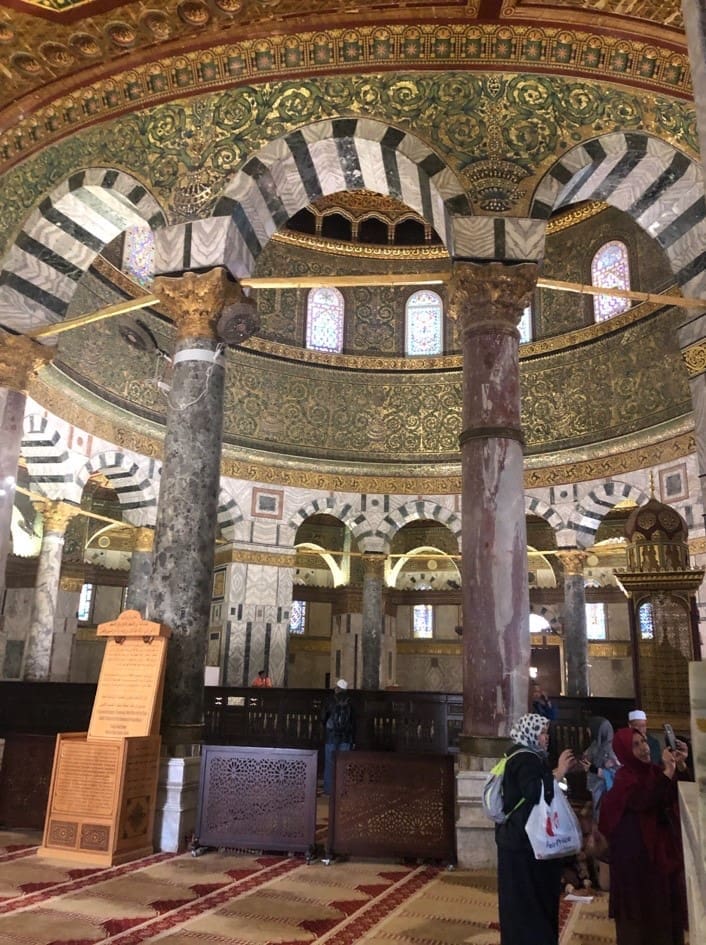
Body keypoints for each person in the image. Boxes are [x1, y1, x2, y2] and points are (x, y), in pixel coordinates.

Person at [598, 726, 689, 945]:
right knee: (641, 926)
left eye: (644, 742)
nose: (644, 748)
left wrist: (681, 764)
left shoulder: (652, 772)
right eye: (635, 745)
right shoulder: (624, 780)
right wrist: (667, 772)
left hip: (659, 860)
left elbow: (672, 793)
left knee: (665, 918)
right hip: (636, 869)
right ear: (623, 751)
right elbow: (643, 801)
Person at [495, 712, 576, 945]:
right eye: (541, 732)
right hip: (524, 844)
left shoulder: (524, 755)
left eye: (546, 732)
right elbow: (533, 793)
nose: (545, 737)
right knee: (529, 904)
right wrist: (559, 771)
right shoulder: (524, 758)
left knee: (523, 903)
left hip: (520, 841)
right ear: (530, 733)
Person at [321, 679, 355, 795]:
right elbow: (353, 722)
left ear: (337, 688)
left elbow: (323, 718)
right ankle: (342, 789)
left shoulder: (329, 700)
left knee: (330, 763)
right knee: (343, 764)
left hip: (331, 736)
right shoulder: (351, 701)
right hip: (346, 737)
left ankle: (329, 790)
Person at [583, 716, 618, 819]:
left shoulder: (611, 748)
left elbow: (617, 774)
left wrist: (594, 769)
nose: (588, 731)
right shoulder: (596, 744)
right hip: (596, 788)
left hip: (606, 790)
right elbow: (587, 757)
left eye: (590, 728)